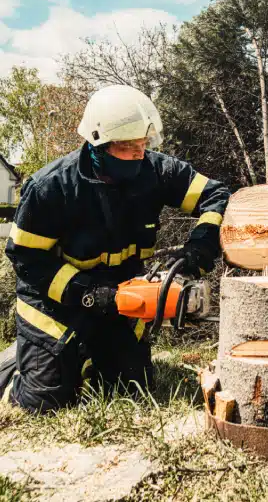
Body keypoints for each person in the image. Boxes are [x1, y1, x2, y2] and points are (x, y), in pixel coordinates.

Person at [0, 85, 230, 414]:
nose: (139, 154)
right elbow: (27, 260)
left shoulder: (156, 171)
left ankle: (87, 358)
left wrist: (200, 248)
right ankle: (13, 370)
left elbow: (216, 196)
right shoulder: (51, 188)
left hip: (121, 298)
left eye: (143, 145)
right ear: (99, 146)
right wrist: (88, 293)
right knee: (45, 401)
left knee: (131, 390)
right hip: (54, 304)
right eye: (128, 148)